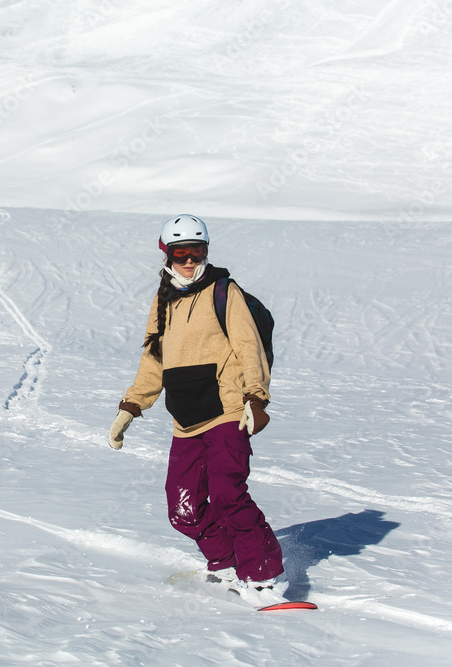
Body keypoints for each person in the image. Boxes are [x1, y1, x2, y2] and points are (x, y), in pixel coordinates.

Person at [107, 214, 286, 605]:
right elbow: (154, 360)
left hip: (226, 410)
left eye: (197, 251)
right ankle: (224, 563)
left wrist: (256, 398)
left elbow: (248, 347)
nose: (189, 260)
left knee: (228, 494)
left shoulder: (224, 292)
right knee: (182, 508)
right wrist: (131, 407)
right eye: (181, 253)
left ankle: (264, 576)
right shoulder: (163, 300)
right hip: (185, 419)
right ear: (167, 254)